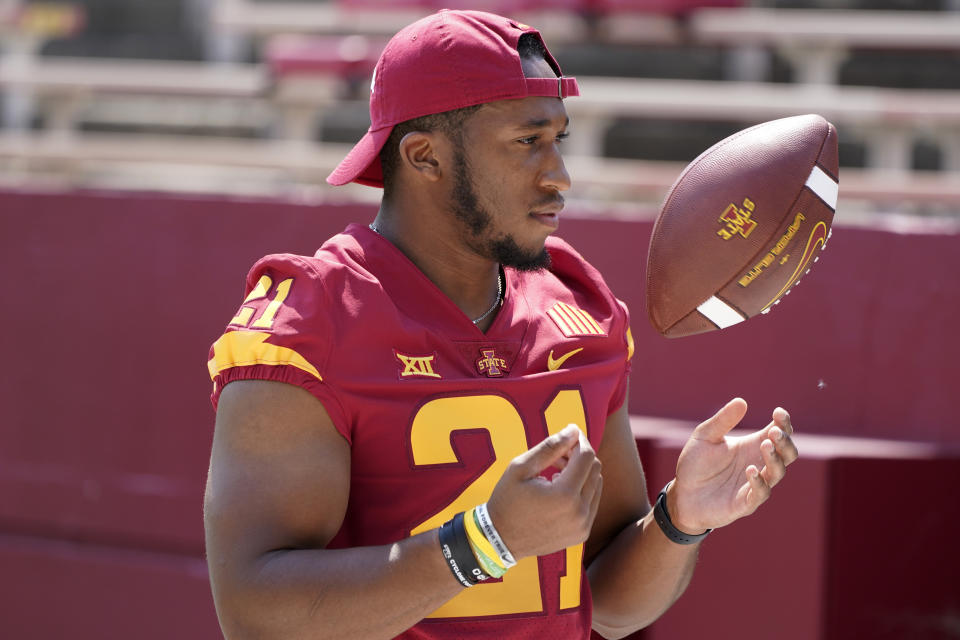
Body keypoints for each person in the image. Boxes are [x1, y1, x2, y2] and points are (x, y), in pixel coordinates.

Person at [204, 9, 799, 640]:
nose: (559, 175)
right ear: (424, 155)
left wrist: (681, 517)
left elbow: (612, 603)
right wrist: (484, 543)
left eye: (558, 141)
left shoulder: (579, 308)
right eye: (526, 142)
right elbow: (255, 615)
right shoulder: (313, 321)